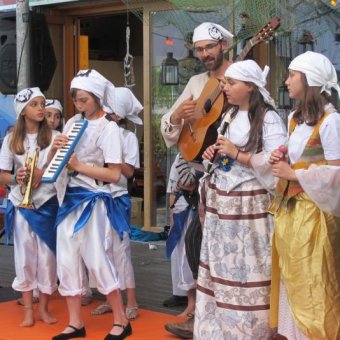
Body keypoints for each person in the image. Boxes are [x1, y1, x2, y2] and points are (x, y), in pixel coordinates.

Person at [195, 59, 287, 338]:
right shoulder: (230, 115)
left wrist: (237, 154)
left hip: (249, 205)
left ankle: (253, 331)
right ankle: (222, 329)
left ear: (249, 86)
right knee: (224, 270)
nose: (225, 87)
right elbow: (227, 152)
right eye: (224, 82)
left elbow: (275, 165)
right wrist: (215, 152)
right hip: (223, 202)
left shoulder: (269, 118)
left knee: (249, 269)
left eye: (230, 83)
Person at [161, 21, 234, 339]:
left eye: (209, 48)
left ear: (224, 47)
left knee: (216, 248)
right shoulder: (195, 82)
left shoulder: (242, 77)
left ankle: (218, 316)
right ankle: (201, 314)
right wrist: (176, 118)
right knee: (195, 244)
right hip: (198, 172)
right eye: (199, 49)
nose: (205, 54)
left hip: (233, 176)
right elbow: (168, 123)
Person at [51, 69, 131, 340]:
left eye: (84, 99)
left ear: (97, 97)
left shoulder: (109, 128)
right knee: (67, 259)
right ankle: (75, 323)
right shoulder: (73, 121)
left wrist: (79, 166)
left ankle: (121, 319)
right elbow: (64, 162)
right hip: (68, 199)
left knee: (98, 258)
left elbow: (114, 174)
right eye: (76, 100)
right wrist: (56, 151)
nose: (79, 105)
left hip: (93, 200)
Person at [268, 51, 340, 339]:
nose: (286, 81)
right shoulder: (296, 119)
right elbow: (297, 153)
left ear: (308, 80)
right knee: (293, 277)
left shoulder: (332, 121)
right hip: (292, 212)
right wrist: (281, 153)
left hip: (315, 215)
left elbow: (337, 171)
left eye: (291, 75)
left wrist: (294, 174)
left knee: (314, 280)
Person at [0, 87, 59, 327]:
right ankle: (28, 310)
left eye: (42, 104)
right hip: (22, 203)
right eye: (35, 105)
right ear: (23, 111)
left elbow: (60, 172)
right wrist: (17, 178)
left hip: (46, 201)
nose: (41, 109)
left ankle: (43, 308)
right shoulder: (11, 138)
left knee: (47, 258)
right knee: (24, 255)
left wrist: (44, 169)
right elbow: (3, 174)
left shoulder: (54, 137)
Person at [90, 86, 143, 320]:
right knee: (101, 249)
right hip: (96, 195)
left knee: (121, 250)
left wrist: (113, 155)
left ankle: (131, 301)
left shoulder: (127, 137)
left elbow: (130, 172)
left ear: (119, 116)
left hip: (118, 197)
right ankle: (112, 300)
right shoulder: (94, 130)